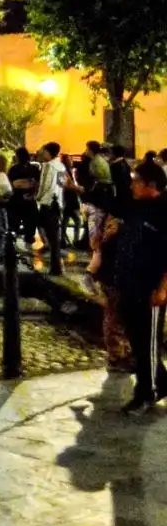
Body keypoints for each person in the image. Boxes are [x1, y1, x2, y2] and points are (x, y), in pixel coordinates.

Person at [101, 161, 167, 413]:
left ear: (151, 185)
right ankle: (161, 382)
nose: (132, 185)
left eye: (136, 181)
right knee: (137, 340)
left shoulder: (163, 211)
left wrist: (162, 288)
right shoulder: (134, 207)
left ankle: (147, 393)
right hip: (127, 283)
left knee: (148, 341)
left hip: (150, 286)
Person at [36, 142, 65, 261]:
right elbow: (61, 184)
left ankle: (54, 262)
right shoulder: (61, 166)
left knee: (44, 227)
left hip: (47, 202)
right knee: (54, 233)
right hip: (57, 202)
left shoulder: (48, 166)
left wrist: (38, 197)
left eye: (44, 151)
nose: (42, 154)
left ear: (48, 152)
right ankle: (56, 260)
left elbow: (45, 185)